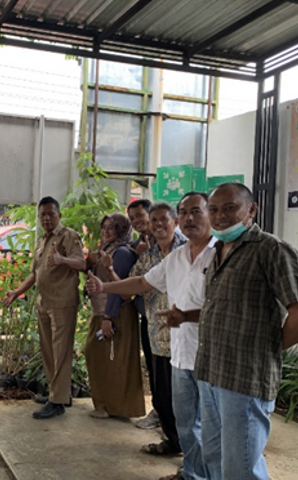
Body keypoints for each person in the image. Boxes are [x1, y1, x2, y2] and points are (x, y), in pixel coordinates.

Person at [86, 191, 214, 480]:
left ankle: (204, 471)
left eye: (163, 219)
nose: (158, 225)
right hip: (166, 341)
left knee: (207, 420)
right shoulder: (168, 256)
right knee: (177, 410)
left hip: (208, 352)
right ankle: (191, 470)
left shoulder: (220, 253)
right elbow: (142, 282)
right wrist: (104, 286)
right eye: (185, 213)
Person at [190, 183, 298, 480]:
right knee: (214, 457)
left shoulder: (272, 250)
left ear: (251, 210)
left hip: (244, 378)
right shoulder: (217, 250)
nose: (220, 216)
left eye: (230, 208)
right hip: (210, 372)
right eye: (214, 209)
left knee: (240, 467)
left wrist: (268, 346)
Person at [2, 196, 85, 419]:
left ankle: (57, 401)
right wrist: (17, 292)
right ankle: (57, 393)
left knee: (61, 352)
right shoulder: (42, 241)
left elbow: (82, 263)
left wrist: (62, 260)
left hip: (62, 304)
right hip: (44, 303)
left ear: (59, 215)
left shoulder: (68, 236)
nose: (47, 218)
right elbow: (35, 274)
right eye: (43, 215)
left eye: (51, 213)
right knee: (48, 351)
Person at [129, 203, 186, 456]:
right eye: (155, 220)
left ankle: (193, 458)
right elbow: (137, 281)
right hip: (156, 335)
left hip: (186, 339)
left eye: (164, 219)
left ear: (175, 221)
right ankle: (174, 443)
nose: (159, 224)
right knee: (162, 396)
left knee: (186, 401)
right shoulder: (150, 255)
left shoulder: (189, 250)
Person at [85, 213, 144, 420]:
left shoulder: (122, 253)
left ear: (121, 230)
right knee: (101, 357)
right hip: (101, 311)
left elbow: (120, 288)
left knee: (113, 360)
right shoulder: (107, 250)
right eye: (104, 227)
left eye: (112, 227)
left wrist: (109, 316)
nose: (107, 231)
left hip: (114, 312)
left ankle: (114, 407)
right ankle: (107, 404)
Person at [127, 198, 160, 430]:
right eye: (132, 219)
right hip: (147, 315)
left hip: (166, 317)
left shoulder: (168, 242)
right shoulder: (141, 243)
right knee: (152, 364)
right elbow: (134, 279)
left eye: (140, 215)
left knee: (165, 369)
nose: (137, 221)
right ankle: (159, 412)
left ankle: (164, 415)